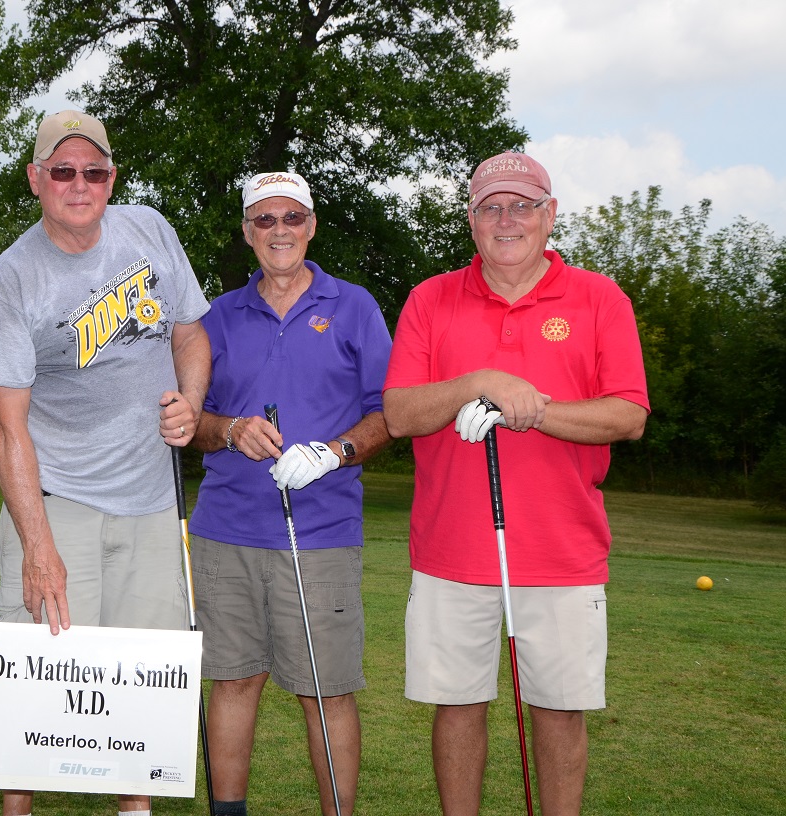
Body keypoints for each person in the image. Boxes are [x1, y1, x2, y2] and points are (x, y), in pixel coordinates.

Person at [382, 152, 650, 816]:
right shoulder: (431, 298)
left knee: (560, 712)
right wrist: (479, 383)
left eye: (523, 205)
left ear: (550, 214)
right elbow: (399, 413)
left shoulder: (598, 298)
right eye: (491, 207)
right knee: (458, 705)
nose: (508, 220)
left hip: (562, 552)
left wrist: (531, 409)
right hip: (451, 549)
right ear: (471, 219)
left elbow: (629, 414)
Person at [0, 109, 211, 816]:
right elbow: (5, 426)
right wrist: (37, 548)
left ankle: (133, 810)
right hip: (59, 496)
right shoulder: (14, 279)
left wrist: (191, 405)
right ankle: (17, 809)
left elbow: (192, 334)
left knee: (143, 686)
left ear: (112, 177)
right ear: (36, 178)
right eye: (64, 170)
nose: (80, 184)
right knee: (39, 681)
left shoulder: (151, 231)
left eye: (94, 171)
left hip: (151, 502)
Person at [187, 171, 393, 816]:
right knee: (234, 680)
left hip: (322, 533)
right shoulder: (216, 316)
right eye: (266, 220)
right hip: (227, 530)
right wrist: (231, 430)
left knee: (326, 690)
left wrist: (335, 451)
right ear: (248, 232)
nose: (281, 231)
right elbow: (191, 422)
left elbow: (391, 411)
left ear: (312, 225)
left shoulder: (354, 305)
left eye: (293, 218)